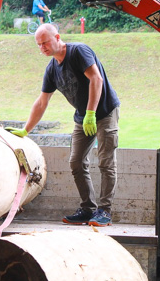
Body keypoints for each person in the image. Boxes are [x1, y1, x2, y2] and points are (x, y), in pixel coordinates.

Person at [7, 23, 120, 227]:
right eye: (39, 45)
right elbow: (42, 102)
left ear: (57, 37)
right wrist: (26, 130)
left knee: (105, 162)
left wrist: (91, 113)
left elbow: (96, 79)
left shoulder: (78, 51)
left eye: (45, 42)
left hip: (104, 111)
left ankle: (105, 211)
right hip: (82, 116)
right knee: (76, 162)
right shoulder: (51, 69)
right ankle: (88, 209)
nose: (43, 48)